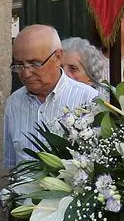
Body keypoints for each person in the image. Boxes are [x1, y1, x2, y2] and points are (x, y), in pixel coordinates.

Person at [4, 24, 100, 171]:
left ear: (58, 57)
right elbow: (12, 166)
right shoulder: (14, 103)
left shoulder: (88, 99)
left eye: (34, 63)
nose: (26, 73)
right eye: (19, 65)